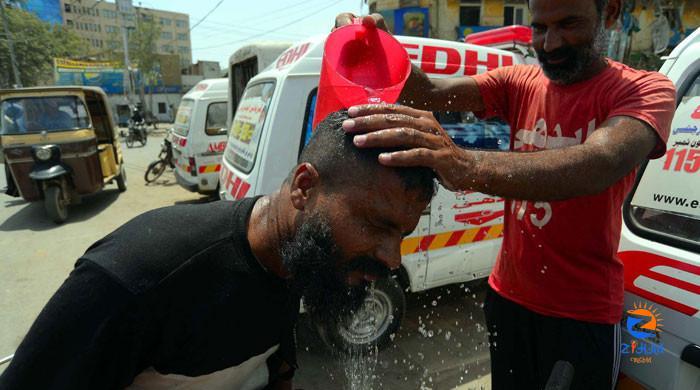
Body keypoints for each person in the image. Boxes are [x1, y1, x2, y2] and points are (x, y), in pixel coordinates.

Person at [335, 0, 676, 389]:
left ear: (610, 13)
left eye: (569, 24)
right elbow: (425, 92)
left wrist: (465, 166)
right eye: (539, 28)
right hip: (507, 300)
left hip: (583, 315)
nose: (550, 44)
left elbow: (600, 161)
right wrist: (373, 48)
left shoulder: (645, 89)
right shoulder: (519, 82)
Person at [0, 110, 435, 390]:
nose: (392, 258)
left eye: (403, 234)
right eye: (377, 225)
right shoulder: (137, 273)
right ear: (305, 187)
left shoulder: (301, 258)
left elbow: (274, 365)